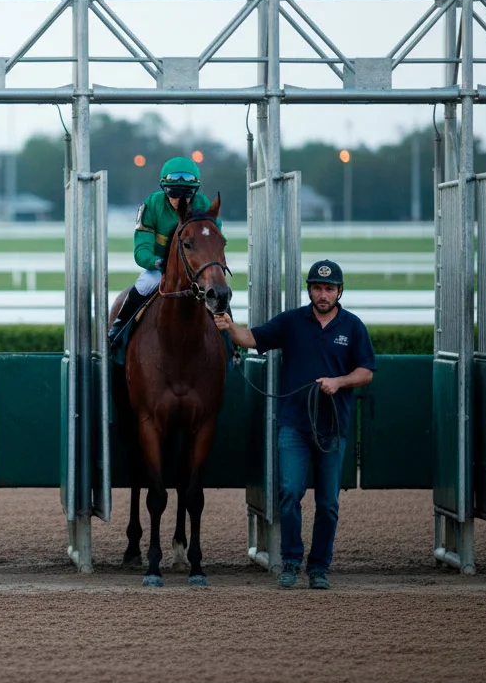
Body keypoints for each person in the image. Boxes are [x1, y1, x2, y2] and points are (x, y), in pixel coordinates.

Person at [214, 260, 376, 590]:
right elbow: (252, 338)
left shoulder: (353, 327)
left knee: (328, 503)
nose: (323, 294)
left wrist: (339, 381)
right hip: (294, 425)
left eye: (329, 289)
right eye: (317, 288)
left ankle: (318, 567)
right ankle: (290, 561)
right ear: (310, 290)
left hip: (332, 427)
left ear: (339, 292)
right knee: (289, 493)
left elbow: (366, 371)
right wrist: (231, 329)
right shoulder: (292, 322)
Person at [109, 156, 221, 345]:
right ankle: (118, 331)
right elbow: (142, 248)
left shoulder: (203, 203)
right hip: (160, 269)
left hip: (195, 270)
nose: (180, 200)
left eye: (187, 194)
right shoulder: (152, 204)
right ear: (163, 188)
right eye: (173, 193)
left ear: (195, 192)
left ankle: (231, 343)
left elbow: (213, 241)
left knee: (219, 291)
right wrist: (157, 262)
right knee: (143, 285)